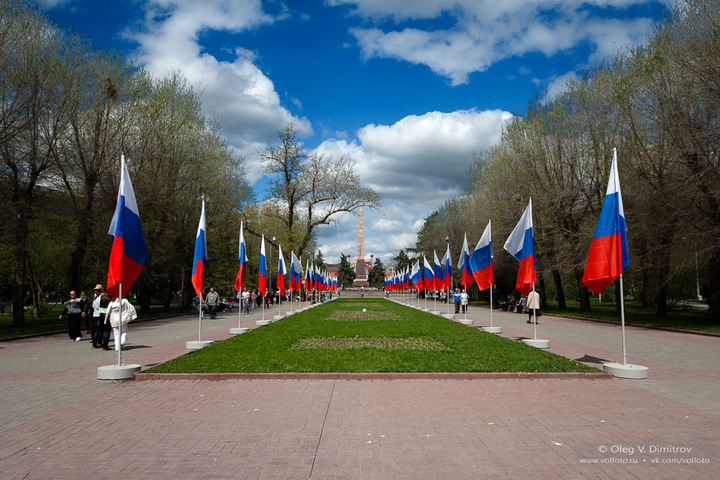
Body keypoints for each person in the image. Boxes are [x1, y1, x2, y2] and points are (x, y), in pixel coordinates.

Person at [86, 284, 104, 349]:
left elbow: (93, 306)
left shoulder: (95, 298)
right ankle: (95, 342)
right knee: (98, 330)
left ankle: (98, 341)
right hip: (99, 315)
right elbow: (101, 307)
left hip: (95, 315)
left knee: (97, 329)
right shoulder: (100, 298)